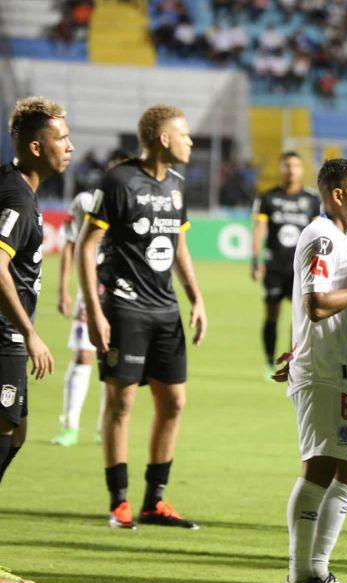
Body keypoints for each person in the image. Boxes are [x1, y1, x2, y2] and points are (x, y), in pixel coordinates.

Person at [78, 105, 207, 530]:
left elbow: (180, 247)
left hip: (165, 310)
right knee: (123, 402)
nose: (190, 141)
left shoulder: (176, 185)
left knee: (174, 402)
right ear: (163, 138)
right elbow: (85, 246)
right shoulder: (118, 180)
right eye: (184, 134)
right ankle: (119, 502)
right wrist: (95, 311)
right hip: (125, 308)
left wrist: (196, 299)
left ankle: (155, 501)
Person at [280, 158, 347, 583]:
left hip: (346, 369)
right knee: (320, 467)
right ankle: (302, 577)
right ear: (338, 194)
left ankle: (319, 569)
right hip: (324, 372)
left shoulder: (344, 238)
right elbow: (316, 303)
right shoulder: (321, 236)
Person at [0, 96, 71, 583]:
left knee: (17, 432)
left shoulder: (19, 186)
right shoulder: (16, 199)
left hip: (8, 338)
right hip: (3, 337)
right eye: (61, 139)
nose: (70, 146)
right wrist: (28, 331)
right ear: (35, 146)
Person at [51, 149, 131, 447]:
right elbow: (71, 245)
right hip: (92, 290)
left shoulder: (136, 200)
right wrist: (63, 288)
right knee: (84, 355)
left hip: (124, 292)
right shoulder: (87, 202)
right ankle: (69, 425)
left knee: (114, 360)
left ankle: (103, 427)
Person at [251, 151, 320, 379]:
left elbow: (317, 234)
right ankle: (269, 362)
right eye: (287, 165)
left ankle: (293, 360)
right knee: (272, 314)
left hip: (300, 268)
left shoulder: (311, 199)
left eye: (295, 166)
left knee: (299, 316)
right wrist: (255, 260)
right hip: (274, 267)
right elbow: (259, 229)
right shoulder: (268, 197)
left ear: (301, 170)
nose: (291, 170)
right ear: (281, 169)